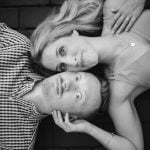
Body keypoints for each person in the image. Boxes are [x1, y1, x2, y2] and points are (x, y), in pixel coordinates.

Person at [30, 0, 150, 150]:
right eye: (62, 67)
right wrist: (88, 128)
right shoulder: (119, 91)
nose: (72, 61)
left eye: (62, 50)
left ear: (71, 32)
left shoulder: (113, 10)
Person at [0, 23, 109, 150]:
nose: (69, 84)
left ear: (71, 117)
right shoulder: (18, 47)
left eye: (78, 96)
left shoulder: (19, 144)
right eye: (77, 78)